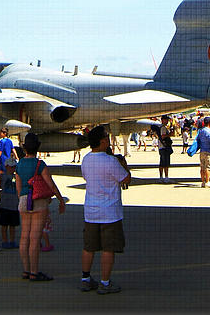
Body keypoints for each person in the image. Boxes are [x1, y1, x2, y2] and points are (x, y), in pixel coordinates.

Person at [79, 125, 129, 294]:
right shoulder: (110, 161)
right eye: (106, 138)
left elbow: (86, 177)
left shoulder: (86, 159)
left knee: (89, 247)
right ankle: (105, 282)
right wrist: (123, 163)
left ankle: (85, 279)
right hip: (109, 212)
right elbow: (126, 178)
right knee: (108, 249)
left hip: (91, 210)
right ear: (102, 141)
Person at [15, 131, 65, 280]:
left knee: (24, 236)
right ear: (37, 148)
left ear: (24, 148)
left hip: (24, 200)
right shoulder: (39, 164)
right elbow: (51, 184)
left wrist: (22, 199)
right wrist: (60, 199)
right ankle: (34, 272)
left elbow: (18, 187)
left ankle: (26, 269)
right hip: (38, 202)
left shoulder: (20, 164)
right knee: (35, 238)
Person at [0, 161, 20, 249]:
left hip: (14, 205)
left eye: (14, 167)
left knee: (12, 226)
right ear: (6, 166)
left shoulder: (17, 177)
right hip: (4, 205)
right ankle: (4, 241)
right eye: (10, 167)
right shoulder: (2, 176)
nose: (12, 168)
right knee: (4, 225)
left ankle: (12, 241)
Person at [195, 115, 210, 187]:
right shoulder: (209, 132)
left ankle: (203, 182)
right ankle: (207, 181)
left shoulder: (200, 131)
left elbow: (197, 139)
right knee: (208, 167)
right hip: (208, 151)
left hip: (202, 151)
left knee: (202, 167)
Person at [156, 115, 173, 182]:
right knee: (165, 163)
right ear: (163, 120)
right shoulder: (163, 128)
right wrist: (169, 135)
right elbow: (163, 136)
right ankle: (166, 177)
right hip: (164, 147)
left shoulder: (161, 127)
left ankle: (161, 177)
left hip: (161, 147)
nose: (167, 121)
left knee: (162, 163)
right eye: (166, 120)